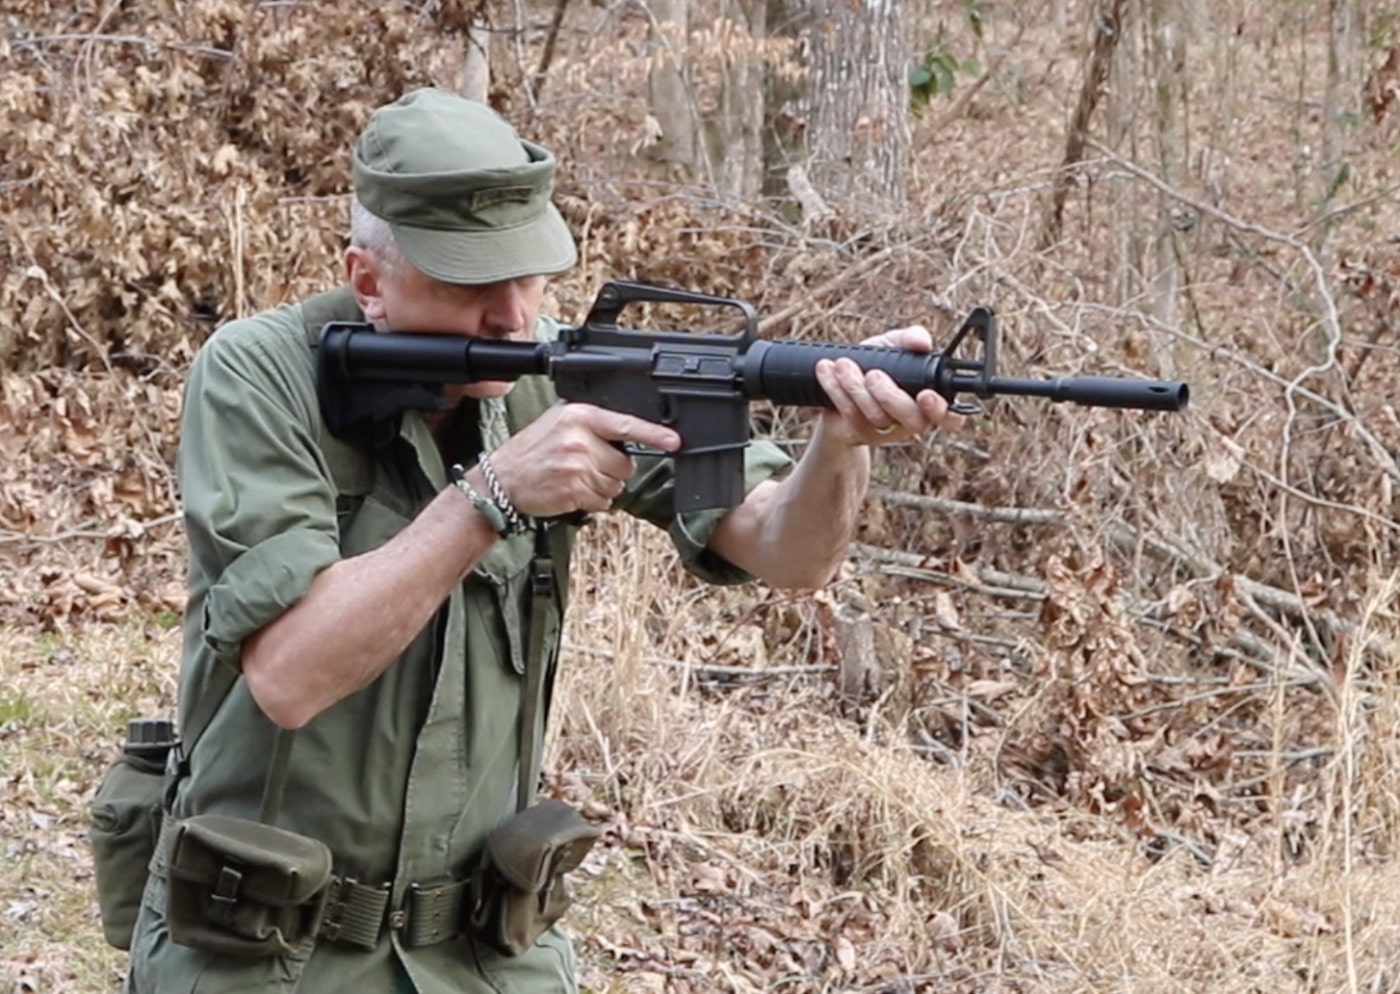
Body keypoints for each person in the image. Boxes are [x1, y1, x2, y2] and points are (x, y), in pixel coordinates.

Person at [125, 87, 955, 994]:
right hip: (265, 953)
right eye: (474, 283)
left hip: (484, 953)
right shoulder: (258, 375)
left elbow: (792, 556)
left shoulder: (560, 371)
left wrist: (840, 443)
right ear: (369, 281)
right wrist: (489, 497)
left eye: (532, 276)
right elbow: (289, 676)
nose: (515, 317)